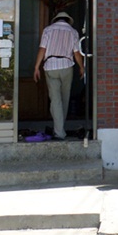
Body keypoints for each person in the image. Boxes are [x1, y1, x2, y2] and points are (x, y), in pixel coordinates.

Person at [33, 12, 85, 140]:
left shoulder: (48, 30)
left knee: (55, 100)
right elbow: (76, 52)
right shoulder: (73, 31)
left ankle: (59, 131)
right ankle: (60, 129)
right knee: (65, 98)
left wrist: (36, 67)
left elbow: (42, 49)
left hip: (50, 66)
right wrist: (82, 67)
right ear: (68, 20)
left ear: (55, 20)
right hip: (67, 66)